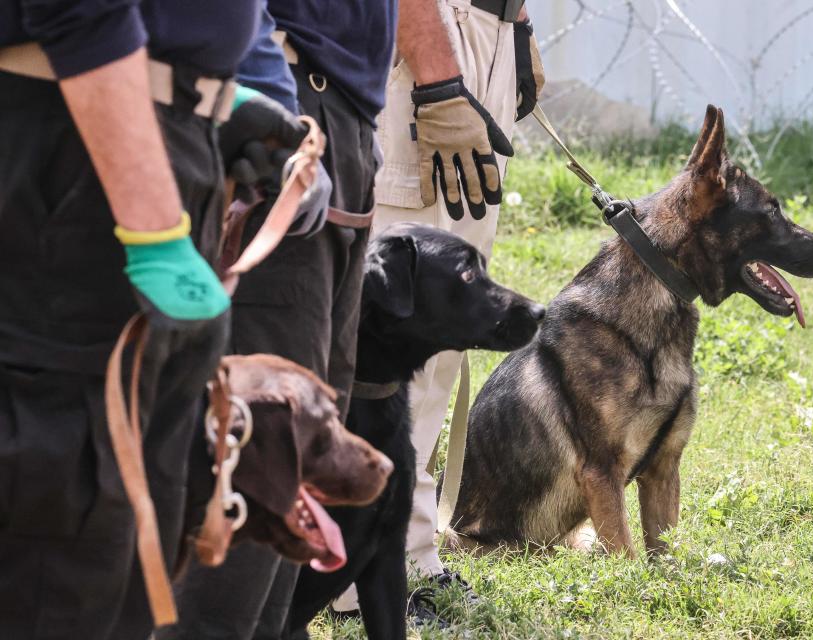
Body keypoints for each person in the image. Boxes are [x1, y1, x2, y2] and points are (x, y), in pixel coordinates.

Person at [0, 3, 306, 639]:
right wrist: (154, 224)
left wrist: (220, 96)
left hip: (157, 139)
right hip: (81, 149)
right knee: (60, 537)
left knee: (139, 534)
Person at [156, 2, 395, 639]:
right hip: (285, 112)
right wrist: (273, 115)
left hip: (343, 120)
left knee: (304, 450)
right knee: (254, 452)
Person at [329, 0, 544, 626]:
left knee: (448, 333)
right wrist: (438, 73)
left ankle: (409, 552)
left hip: (484, 35)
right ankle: (354, 572)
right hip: (434, 36)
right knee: (404, 319)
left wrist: (518, 25)